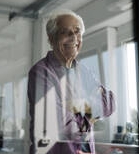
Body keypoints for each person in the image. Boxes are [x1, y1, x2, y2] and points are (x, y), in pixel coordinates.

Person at [28, 9, 115, 154]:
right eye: (65, 32)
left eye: (77, 31)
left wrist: (73, 106)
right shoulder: (41, 72)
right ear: (51, 39)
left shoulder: (84, 72)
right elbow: (61, 126)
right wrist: (92, 112)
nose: (73, 37)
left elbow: (110, 103)